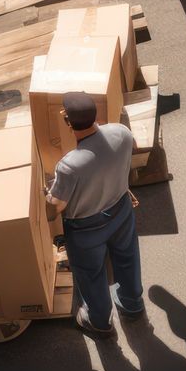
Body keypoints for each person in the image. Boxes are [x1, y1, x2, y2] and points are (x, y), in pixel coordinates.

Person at [45, 91, 145, 336]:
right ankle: (132, 305)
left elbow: (54, 208)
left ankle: (100, 322)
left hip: (86, 228)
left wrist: (45, 195)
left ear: (67, 121)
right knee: (127, 258)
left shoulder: (69, 165)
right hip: (121, 211)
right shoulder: (120, 132)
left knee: (92, 274)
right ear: (95, 115)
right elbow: (133, 148)